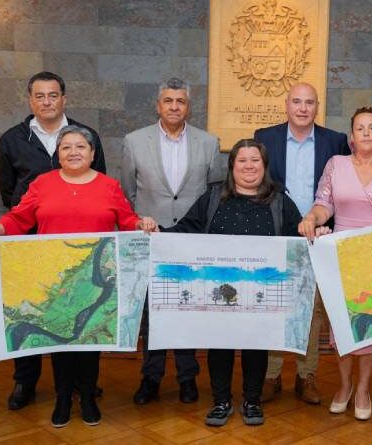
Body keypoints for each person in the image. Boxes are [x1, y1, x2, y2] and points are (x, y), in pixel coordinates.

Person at [0, 125, 157, 428]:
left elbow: (127, 219)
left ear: (92, 154)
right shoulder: (42, 184)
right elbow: (17, 218)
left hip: (95, 280)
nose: (73, 152)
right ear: (58, 154)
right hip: (56, 279)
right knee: (60, 340)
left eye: (80, 146)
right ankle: (63, 398)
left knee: (90, 339)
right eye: (66, 147)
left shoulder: (109, 186)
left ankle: (88, 397)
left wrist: (141, 224)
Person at [161, 139, 303, 426]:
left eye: (255, 160)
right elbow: (186, 230)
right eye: (242, 160)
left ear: (264, 166)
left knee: (257, 346)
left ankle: (252, 401)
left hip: (261, 293)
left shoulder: (279, 201)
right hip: (219, 292)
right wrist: (157, 234)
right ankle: (221, 402)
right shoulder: (213, 197)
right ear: (232, 166)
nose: (249, 166)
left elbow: (298, 238)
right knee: (220, 345)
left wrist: (315, 234)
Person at [0, 71, 106, 410]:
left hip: (81, 243)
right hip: (31, 242)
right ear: (30, 100)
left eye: (53, 95)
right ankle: (25, 382)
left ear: (64, 98)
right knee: (30, 312)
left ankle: (81, 385)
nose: (47, 101)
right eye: (40, 96)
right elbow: (8, 193)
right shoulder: (12, 139)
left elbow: (99, 181)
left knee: (77, 310)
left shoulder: (86, 135)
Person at [298, 107, 372, 420]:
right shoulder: (336, 164)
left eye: (371, 127)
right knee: (342, 327)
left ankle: (362, 389)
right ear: (351, 137)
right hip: (342, 257)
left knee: (370, 327)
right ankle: (344, 384)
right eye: (360, 128)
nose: (365, 132)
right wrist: (311, 218)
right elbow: (323, 204)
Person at [122, 77, 226, 405]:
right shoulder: (134, 141)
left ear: (188, 107)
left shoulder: (208, 142)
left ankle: (187, 378)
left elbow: (214, 194)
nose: (174, 106)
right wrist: (140, 223)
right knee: (152, 311)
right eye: (168, 101)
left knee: (187, 307)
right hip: (150, 238)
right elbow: (127, 193)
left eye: (180, 101)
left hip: (191, 240)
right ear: (158, 105)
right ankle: (150, 378)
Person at [254, 82, 349, 404]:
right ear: (286, 105)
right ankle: (271, 374)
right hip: (276, 233)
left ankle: (306, 375)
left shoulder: (334, 141)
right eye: (297, 101)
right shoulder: (265, 138)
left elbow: (339, 188)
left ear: (317, 107)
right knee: (273, 303)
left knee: (313, 309)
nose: (303, 108)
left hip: (317, 236)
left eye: (309, 102)